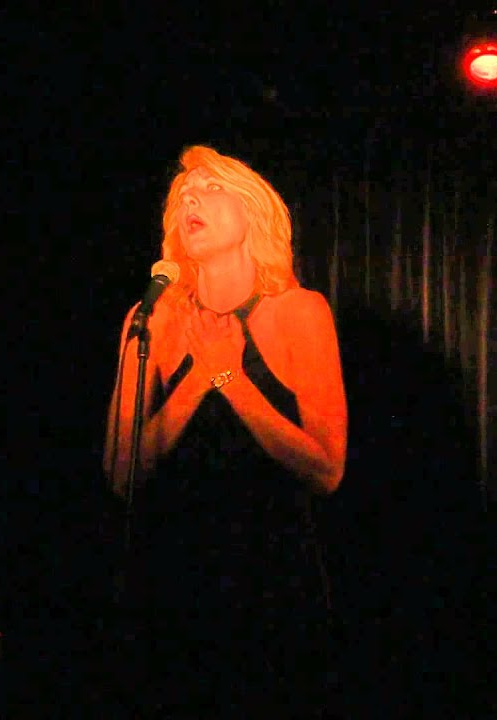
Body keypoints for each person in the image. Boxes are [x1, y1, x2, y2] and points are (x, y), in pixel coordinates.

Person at [103, 145, 348, 715]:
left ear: (253, 209)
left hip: (272, 576)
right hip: (172, 572)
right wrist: (199, 376)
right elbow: (120, 472)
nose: (191, 198)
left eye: (211, 188)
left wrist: (229, 376)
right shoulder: (151, 319)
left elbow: (327, 469)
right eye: (183, 195)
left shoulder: (299, 311)